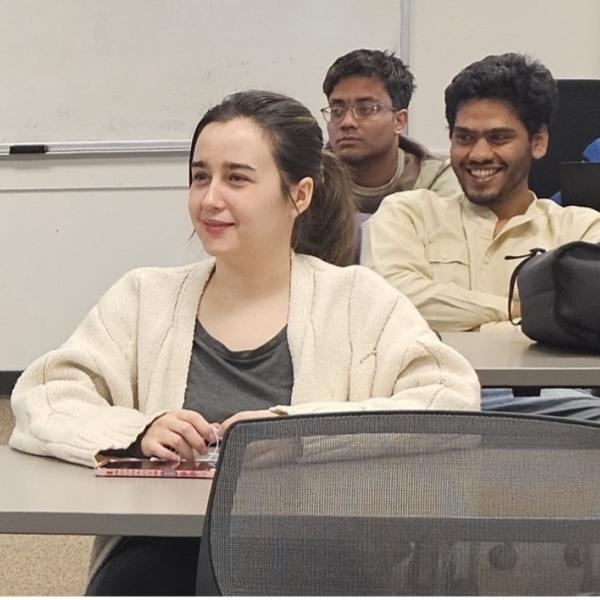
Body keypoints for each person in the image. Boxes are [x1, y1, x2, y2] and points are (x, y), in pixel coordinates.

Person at [9, 90, 480, 595]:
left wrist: (293, 432)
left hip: (318, 549)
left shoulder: (358, 300)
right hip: (164, 553)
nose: (210, 198)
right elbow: (44, 395)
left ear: (299, 195)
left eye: (237, 178)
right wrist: (139, 430)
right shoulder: (145, 296)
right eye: (199, 177)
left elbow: (449, 398)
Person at [361, 52, 600, 417]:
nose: (479, 153)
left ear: (538, 142)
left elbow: (584, 324)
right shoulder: (406, 214)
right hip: (423, 402)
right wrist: (524, 311)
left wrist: (462, 320)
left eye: (499, 138)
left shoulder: (581, 231)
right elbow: (394, 303)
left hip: (549, 407)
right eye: (464, 138)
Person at [322, 48, 461, 216]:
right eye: (337, 110)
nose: (347, 122)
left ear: (399, 121)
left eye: (366, 109)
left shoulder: (433, 180)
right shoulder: (308, 178)